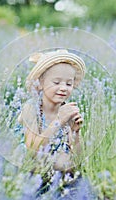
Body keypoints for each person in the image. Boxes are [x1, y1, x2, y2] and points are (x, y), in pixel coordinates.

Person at [16, 49, 86, 195]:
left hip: (55, 175)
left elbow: (78, 159)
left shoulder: (66, 110)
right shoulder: (31, 108)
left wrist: (76, 132)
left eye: (69, 84)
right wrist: (59, 120)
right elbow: (33, 148)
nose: (63, 88)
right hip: (27, 172)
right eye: (56, 82)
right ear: (41, 83)